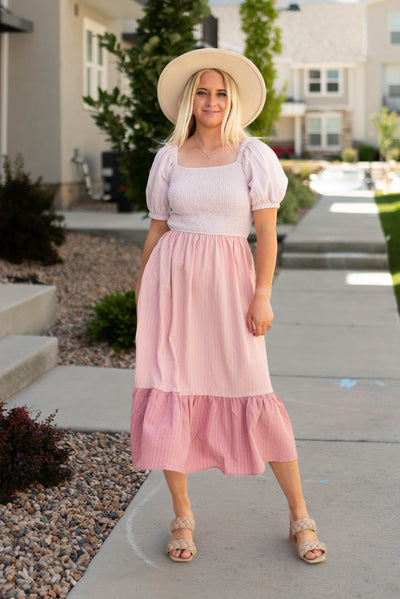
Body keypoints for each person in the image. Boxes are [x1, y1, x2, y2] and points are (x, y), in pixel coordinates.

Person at [131, 48, 326, 565]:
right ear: (189, 100)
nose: (211, 100)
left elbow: (265, 233)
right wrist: (142, 286)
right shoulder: (169, 157)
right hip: (171, 290)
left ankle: (299, 513)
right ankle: (182, 513)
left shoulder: (252, 155)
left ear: (232, 100)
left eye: (220, 92)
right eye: (202, 91)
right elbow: (158, 227)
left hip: (231, 287)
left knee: (252, 387)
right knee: (172, 388)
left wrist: (262, 294)